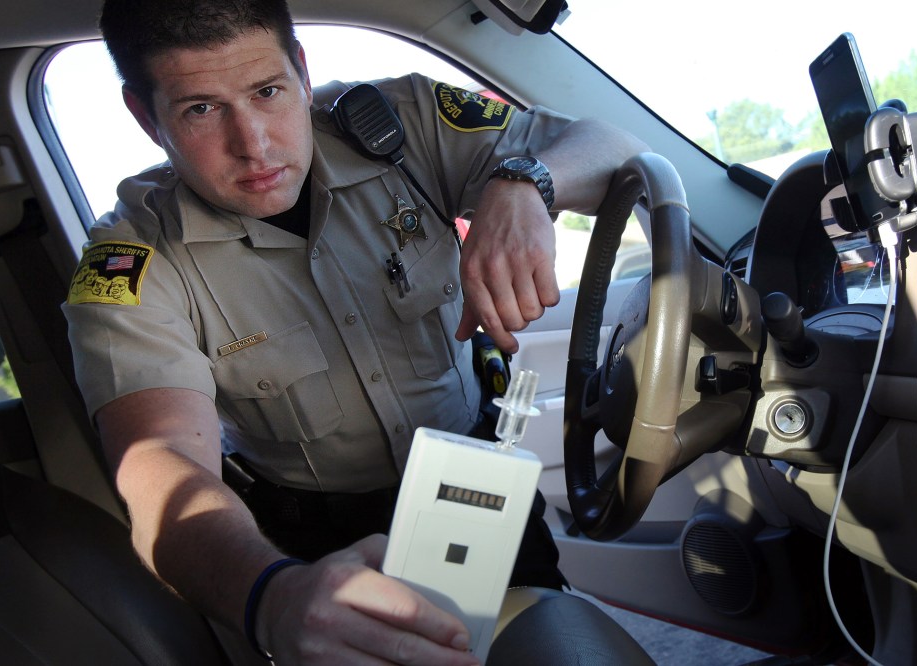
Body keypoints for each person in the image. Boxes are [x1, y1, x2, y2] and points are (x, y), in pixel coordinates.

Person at [62, 0, 650, 663]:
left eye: (266, 91)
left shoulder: (403, 124)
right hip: (315, 548)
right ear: (146, 117)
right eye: (200, 108)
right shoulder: (131, 263)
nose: (252, 143)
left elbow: (619, 146)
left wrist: (526, 184)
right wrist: (273, 596)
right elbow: (161, 469)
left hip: (478, 482)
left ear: (303, 73)